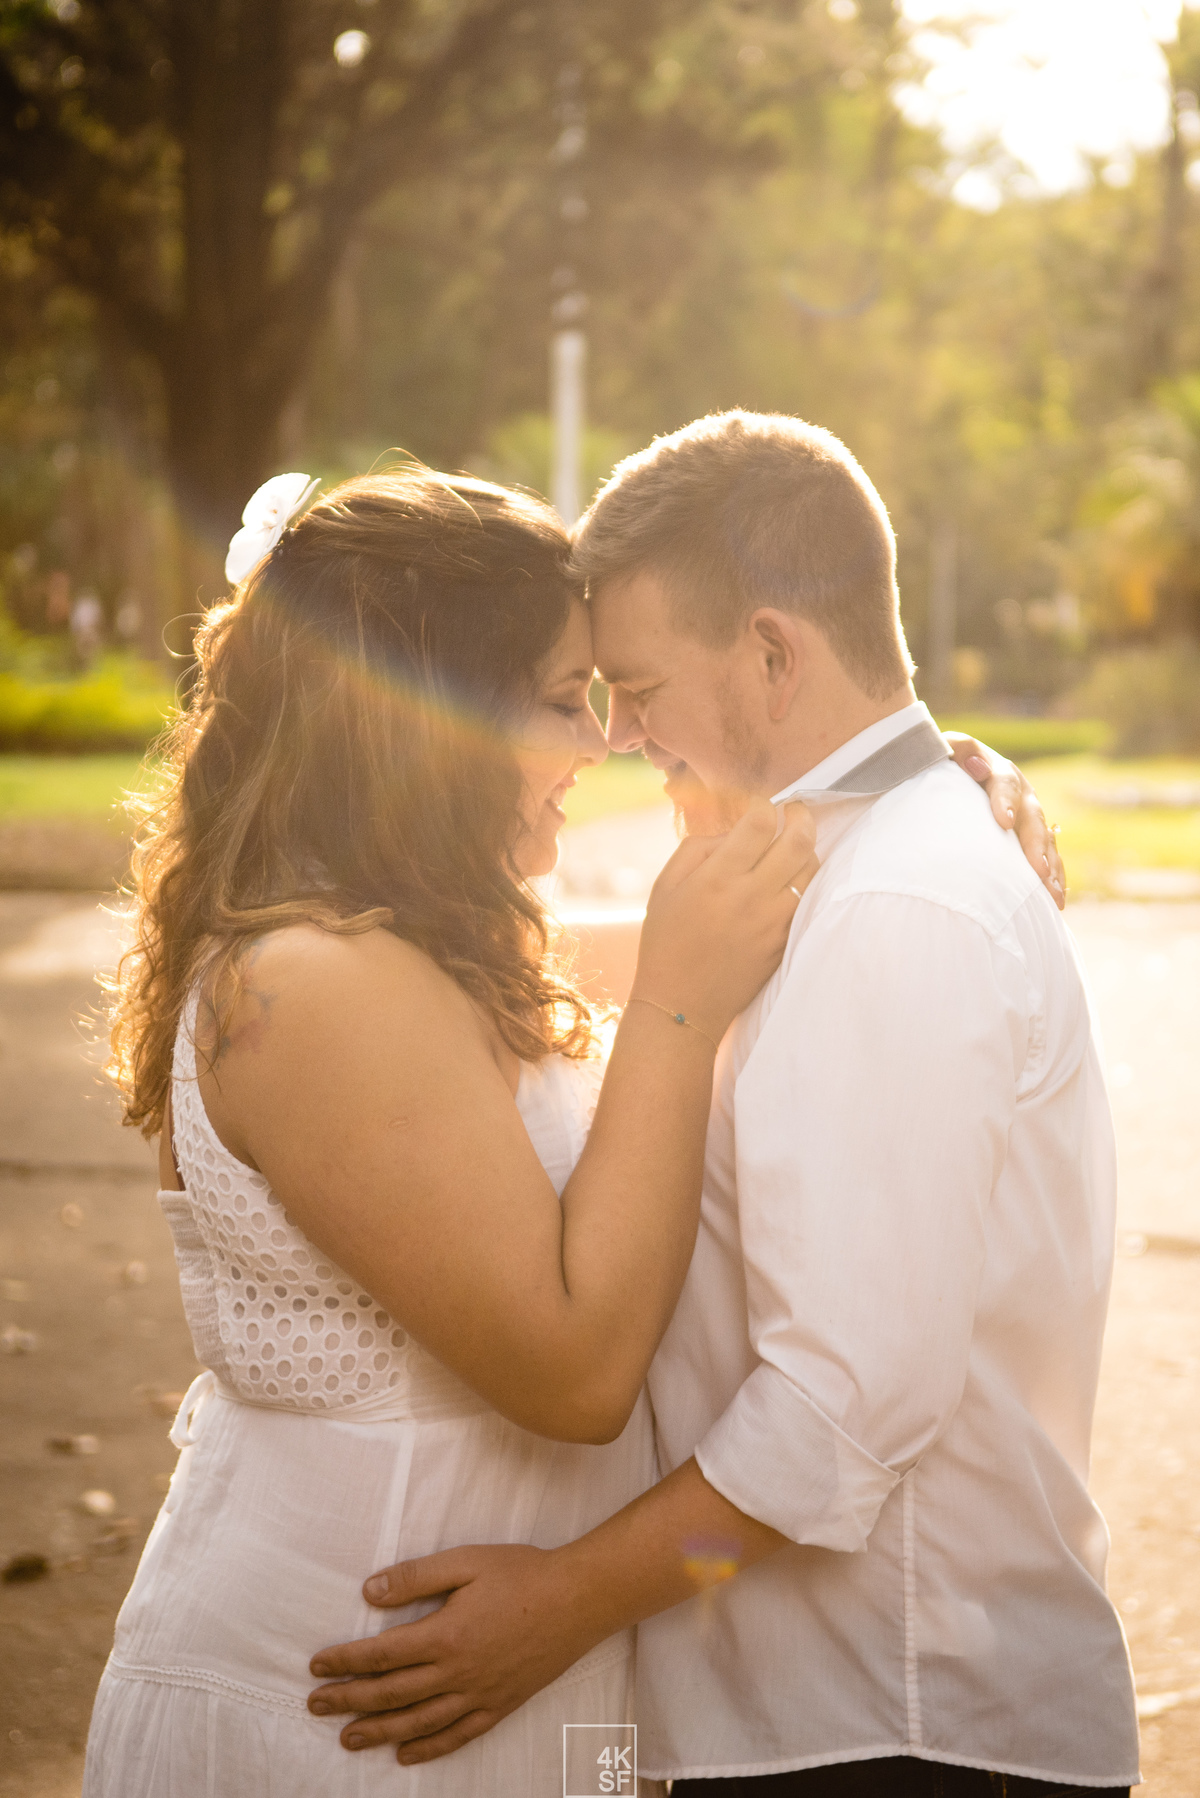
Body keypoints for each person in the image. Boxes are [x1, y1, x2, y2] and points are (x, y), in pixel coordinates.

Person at [310, 415, 1138, 1797]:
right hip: (831, 1713)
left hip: (898, 1721)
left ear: (772, 655)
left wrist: (566, 1602)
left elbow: (840, 1417)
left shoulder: (898, 905)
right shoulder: (824, 865)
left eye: (637, 689)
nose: (621, 735)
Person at [84, 465, 821, 1798]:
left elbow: (729, 910)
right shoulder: (311, 988)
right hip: (345, 1713)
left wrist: (914, 795)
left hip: (483, 1679)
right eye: (562, 697)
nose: (599, 739)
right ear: (427, 719)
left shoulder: (428, 943)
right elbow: (577, 1374)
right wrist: (673, 1007)